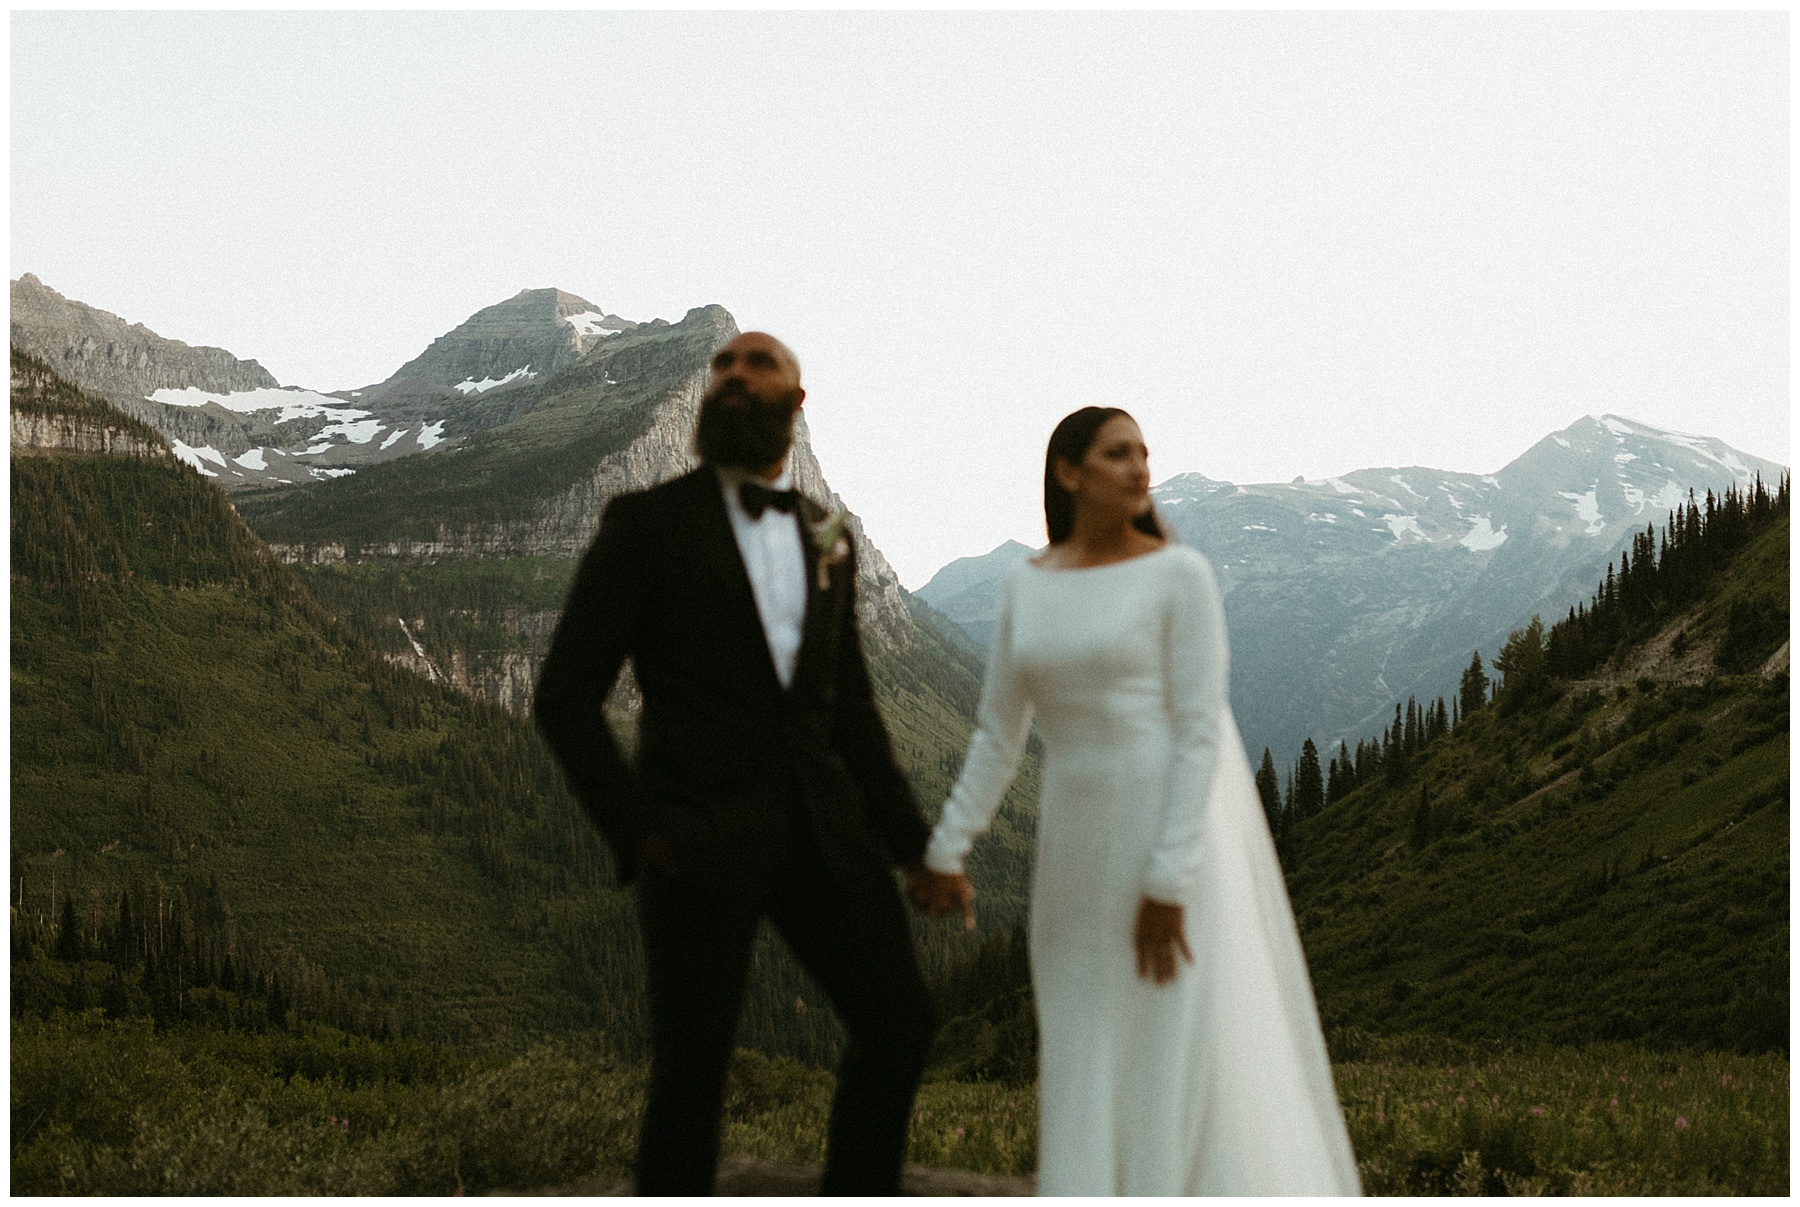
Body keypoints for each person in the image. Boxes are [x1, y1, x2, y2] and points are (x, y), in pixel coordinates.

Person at [533, 331, 960, 1195]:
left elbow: (853, 713)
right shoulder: (645, 525)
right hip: (693, 842)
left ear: (796, 405)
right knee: (691, 1077)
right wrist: (638, 828)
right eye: (722, 367)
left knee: (900, 1022)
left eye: (757, 365)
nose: (733, 376)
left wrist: (915, 850)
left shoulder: (825, 535)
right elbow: (564, 695)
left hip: (824, 834)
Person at [909, 406, 1362, 1195]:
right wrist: (948, 848)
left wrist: (1168, 879)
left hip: (1168, 848)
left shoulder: (1176, 575)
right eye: (1119, 453)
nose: (1140, 466)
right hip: (1073, 857)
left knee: (1162, 1066)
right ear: (1068, 471)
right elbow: (996, 736)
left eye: (1144, 453)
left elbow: (1197, 734)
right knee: (1079, 1056)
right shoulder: (1025, 585)